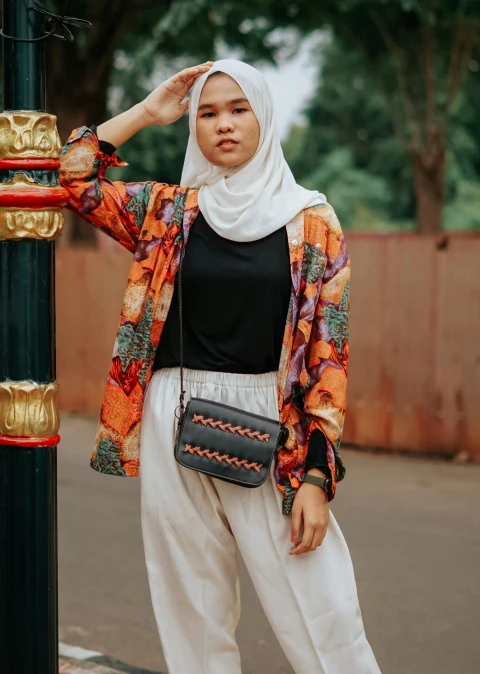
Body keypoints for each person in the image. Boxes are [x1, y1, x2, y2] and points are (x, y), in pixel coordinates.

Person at [59, 59, 381, 674]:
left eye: (239, 110)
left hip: (270, 420)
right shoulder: (169, 213)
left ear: (265, 116)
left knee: (321, 603)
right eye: (208, 113)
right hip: (170, 413)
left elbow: (328, 355)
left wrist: (317, 476)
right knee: (192, 606)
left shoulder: (311, 221)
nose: (224, 125)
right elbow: (69, 177)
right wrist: (149, 111)